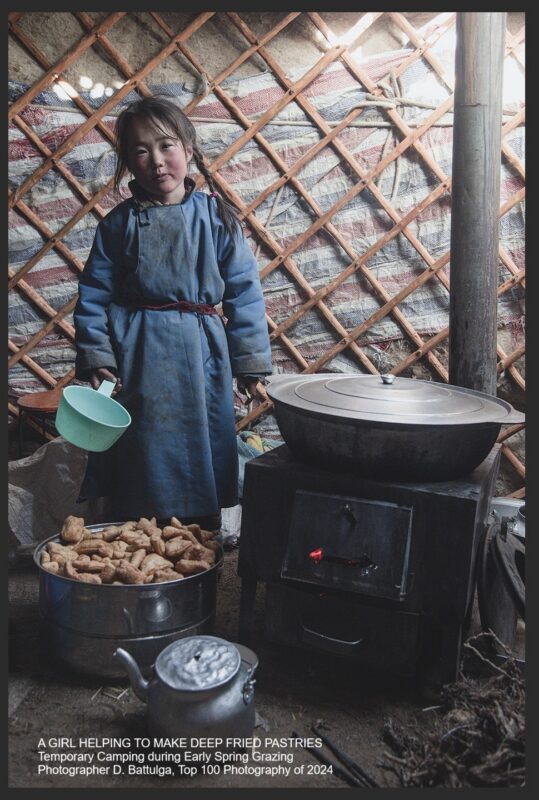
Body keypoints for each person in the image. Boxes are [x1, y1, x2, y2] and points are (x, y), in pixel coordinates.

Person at [73, 95, 272, 530]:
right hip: (138, 352)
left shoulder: (217, 218)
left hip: (201, 350)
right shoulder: (118, 225)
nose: (156, 162)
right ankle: (137, 529)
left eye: (166, 146)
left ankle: (201, 529)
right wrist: (97, 355)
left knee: (203, 437)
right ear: (127, 161)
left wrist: (250, 364)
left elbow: (244, 292)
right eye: (140, 151)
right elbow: (92, 296)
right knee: (143, 444)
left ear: (188, 146)